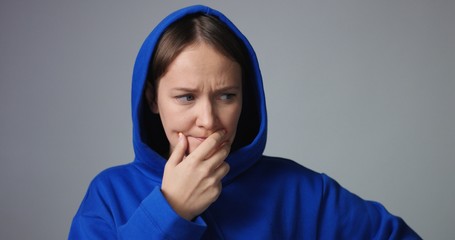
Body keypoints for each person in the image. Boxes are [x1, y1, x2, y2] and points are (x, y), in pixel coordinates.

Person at [69, 5, 420, 239]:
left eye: (226, 96)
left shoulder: (301, 191)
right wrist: (169, 210)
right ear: (151, 100)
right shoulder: (108, 194)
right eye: (186, 97)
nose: (207, 120)